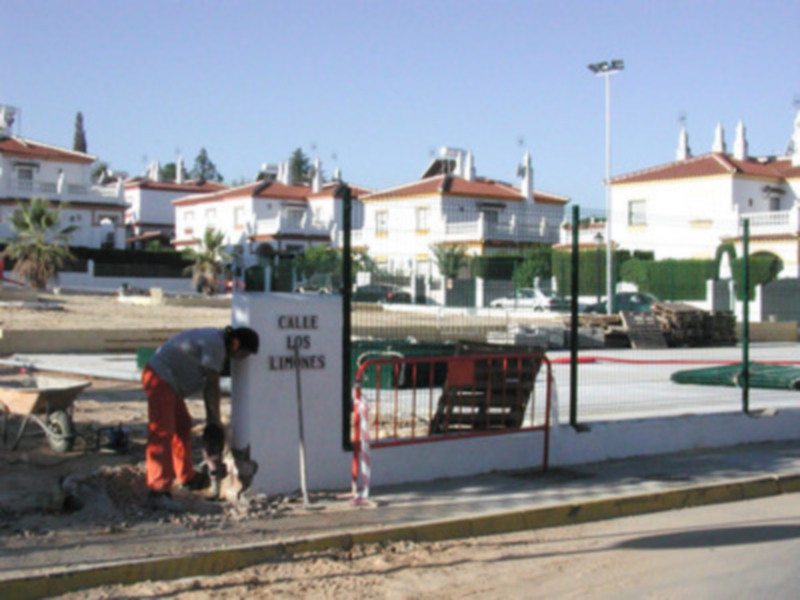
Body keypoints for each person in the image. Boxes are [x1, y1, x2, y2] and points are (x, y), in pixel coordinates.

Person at [141, 326, 259, 511]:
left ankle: (186, 478)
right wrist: (214, 421)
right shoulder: (216, 344)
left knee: (182, 425)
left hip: (169, 382)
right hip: (160, 378)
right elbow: (212, 385)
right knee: (162, 432)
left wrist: (213, 421)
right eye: (241, 356)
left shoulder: (216, 339)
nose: (238, 361)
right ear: (236, 344)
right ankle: (158, 491)